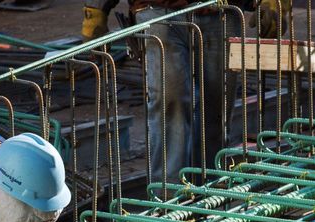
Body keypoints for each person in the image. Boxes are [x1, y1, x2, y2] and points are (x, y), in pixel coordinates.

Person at [81, 0, 286, 183]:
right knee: (170, 99)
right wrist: (96, 11)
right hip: (159, 12)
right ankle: (168, 192)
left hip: (221, 11)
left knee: (216, 103)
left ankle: (209, 187)